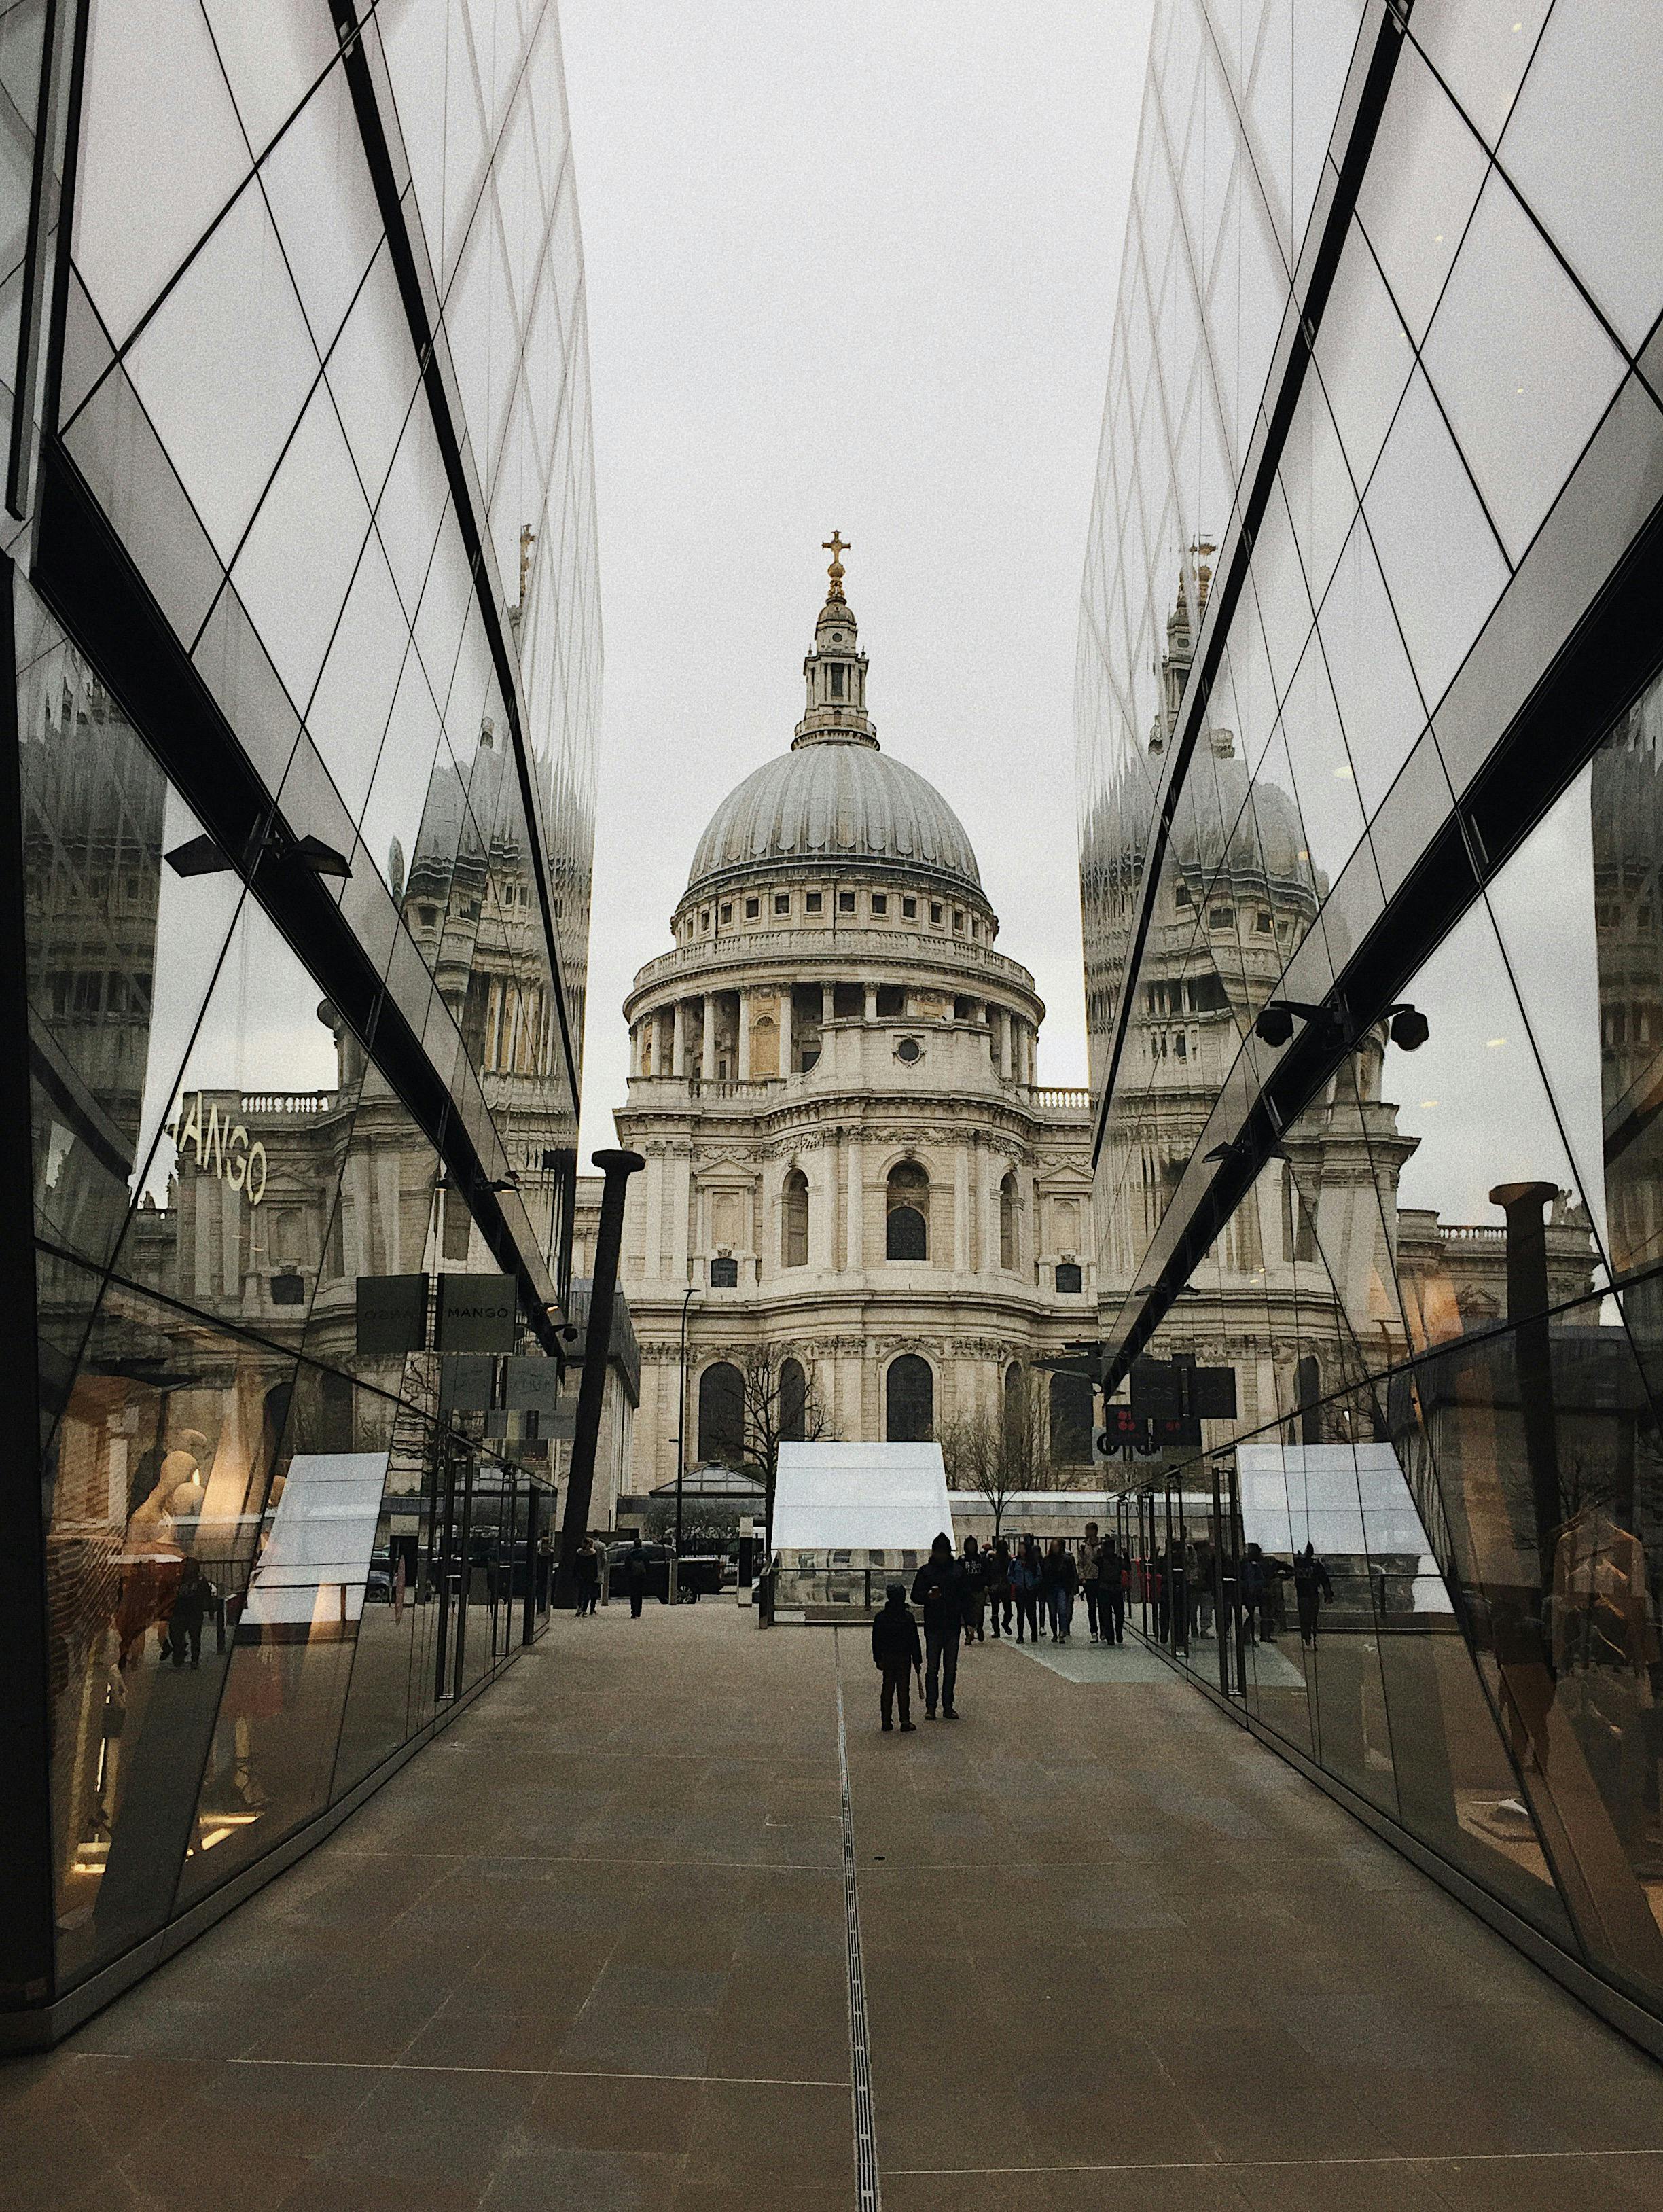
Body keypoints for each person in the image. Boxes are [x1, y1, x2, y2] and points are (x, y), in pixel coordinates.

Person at [910, 1532, 965, 1719]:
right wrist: (927, 1596)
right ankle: (933, 1705)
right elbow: (915, 1596)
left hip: (947, 1625)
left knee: (948, 1668)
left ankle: (945, 1704)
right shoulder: (930, 1571)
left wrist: (970, 1621)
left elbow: (965, 1598)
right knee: (935, 1667)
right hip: (937, 1625)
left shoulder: (953, 1571)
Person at [871, 1582, 923, 1732]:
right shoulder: (908, 1618)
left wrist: (877, 1658)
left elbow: (876, 1640)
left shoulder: (881, 1618)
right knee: (903, 1689)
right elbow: (914, 1640)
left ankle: (886, 1721)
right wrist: (917, 1660)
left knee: (887, 1688)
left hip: (887, 1656)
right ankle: (905, 1720)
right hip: (904, 1657)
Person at [165, 1558, 215, 1670]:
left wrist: (210, 1609)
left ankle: (193, 1659)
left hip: (192, 1613)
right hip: (180, 1612)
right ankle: (181, 1654)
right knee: (177, 1636)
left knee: (194, 1637)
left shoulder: (200, 1580)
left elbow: (207, 1596)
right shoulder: (177, 1580)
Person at [1293, 1541, 1334, 1646]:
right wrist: (1328, 1594)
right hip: (1310, 1594)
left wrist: (1328, 1594)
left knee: (1306, 1617)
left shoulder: (1298, 1563)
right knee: (1311, 1617)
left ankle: (1307, 1636)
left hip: (1305, 1595)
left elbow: (1324, 1580)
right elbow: (1325, 1580)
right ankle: (1310, 1636)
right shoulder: (1315, 1565)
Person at [1043, 1537, 1079, 1642]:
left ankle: (1062, 1631)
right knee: (1053, 1612)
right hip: (1050, 1588)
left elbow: (1071, 1574)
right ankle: (1055, 1632)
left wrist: (1071, 1588)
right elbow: (1044, 1575)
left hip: (1062, 1587)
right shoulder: (1047, 1560)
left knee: (1062, 1610)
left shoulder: (1066, 1560)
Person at [1014, 1537, 1043, 1644]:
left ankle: (1034, 1633)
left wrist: (1033, 1584)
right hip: (1020, 1590)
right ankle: (1020, 1635)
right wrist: (1016, 1583)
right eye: (1019, 1548)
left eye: (1023, 1548)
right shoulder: (1015, 1562)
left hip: (1030, 1591)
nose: (1021, 1551)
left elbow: (1039, 1576)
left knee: (1031, 1613)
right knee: (1020, 1613)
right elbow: (1010, 1575)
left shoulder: (1033, 1563)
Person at [1098, 1535, 1126, 1644]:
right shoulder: (1102, 1560)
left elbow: (1127, 1567)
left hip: (1116, 1588)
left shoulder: (1118, 1560)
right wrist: (1100, 1553)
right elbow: (1095, 1560)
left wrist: (1126, 1555)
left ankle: (1118, 1631)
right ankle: (1110, 1637)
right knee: (1107, 1614)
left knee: (1120, 1614)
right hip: (1105, 1588)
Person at [960, 1535, 986, 1645]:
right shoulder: (962, 1560)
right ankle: (968, 1634)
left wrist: (986, 1585)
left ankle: (979, 1627)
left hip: (979, 1589)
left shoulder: (980, 1559)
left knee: (979, 1612)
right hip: (966, 1591)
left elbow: (986, 1573)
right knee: (967, 1612)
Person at [1080, 1522, 1103, 1643]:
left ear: (1094, 1531)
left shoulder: (1102, 1545)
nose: (1086, 1532)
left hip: (1100, 1578)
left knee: (1103, 1606)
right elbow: (1081, 1562)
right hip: (1088, 1579)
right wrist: (1082, 1577)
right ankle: (1094, 1631)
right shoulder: (1084, 1546)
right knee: (1092, 1607)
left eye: (1088, 1530)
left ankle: (1103, 1629)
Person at [987, 1537, 1014, 1638]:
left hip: (999, 1585)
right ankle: (1002, 1626)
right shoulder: (1005, 1559)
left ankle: (998, 1629)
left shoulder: (995, 1559)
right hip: (1002, 1585)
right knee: (1005, 1609)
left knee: (997, 1610)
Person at [624, 1536, 649, 1620]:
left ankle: (633, 1612)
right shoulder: (645, 1553)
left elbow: (626, 1565)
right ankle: (639, 1612)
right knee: (639, 1594)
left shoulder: (630, 1553)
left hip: (632, 1575)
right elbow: (648, 1564)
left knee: (633, 1594)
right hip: (641, 1575)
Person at [575, 1537, 601, 1618]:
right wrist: (596, 1575)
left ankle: (580, 1607)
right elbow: (595, 1566)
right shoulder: (593, 1553)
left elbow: (577, 1564)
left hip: (581, 1575)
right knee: (587, 1592)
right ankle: (584, 1609)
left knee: (581, 1592)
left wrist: (576, 1574)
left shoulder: (579, 1553)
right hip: (589, 1575)